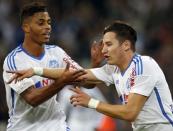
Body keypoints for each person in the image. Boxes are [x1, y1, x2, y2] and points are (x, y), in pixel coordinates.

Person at [6, 21, 173, 131]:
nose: (104, 50)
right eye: (103, 45)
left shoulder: (144, 64)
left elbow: (130, 113)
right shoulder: (113, 70)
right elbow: (77, 74)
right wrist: (36, 70)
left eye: (108, 44)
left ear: (126, 45)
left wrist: (90, 102)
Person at [3, 2, 86, 131]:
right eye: (41, 23)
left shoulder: (57, 53)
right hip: (24, 127)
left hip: (56, 125)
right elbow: (32, 98)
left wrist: (95, 65)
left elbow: (85, 79)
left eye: (49, 22)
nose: (47, 27)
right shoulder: (14, 60)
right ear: (26, 27)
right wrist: (62, 81)